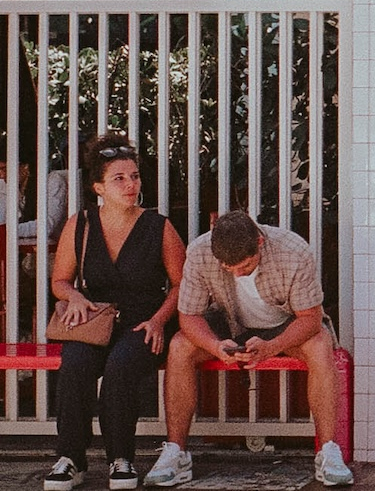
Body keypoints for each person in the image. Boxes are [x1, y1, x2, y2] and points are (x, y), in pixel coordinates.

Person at [145, 211, 350, 488]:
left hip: (284, 325)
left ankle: (328, 451)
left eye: (246, 265)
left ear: (260, 242)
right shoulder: (199, 251)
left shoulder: (294, 250)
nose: (238, 272)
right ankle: (176, 453)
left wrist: (273, 346)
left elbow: (310, 319)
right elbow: (189, 317)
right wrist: (215, 346)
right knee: (181, 345)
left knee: (320, 343)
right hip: (228, 323)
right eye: (229, 268)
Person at [44, 133, 185, 491]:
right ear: (98, 187)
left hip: (144, 323)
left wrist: (158, 320)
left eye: (134, 176)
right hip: (94, 320)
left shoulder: (159, 227)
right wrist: (73, 297)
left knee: (121, 367)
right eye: (119, 178)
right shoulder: (80, 224)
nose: (130, 184)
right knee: (74, 363)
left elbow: (183, 286)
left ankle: (120, 459)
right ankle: (70, 458)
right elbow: (60, 280)